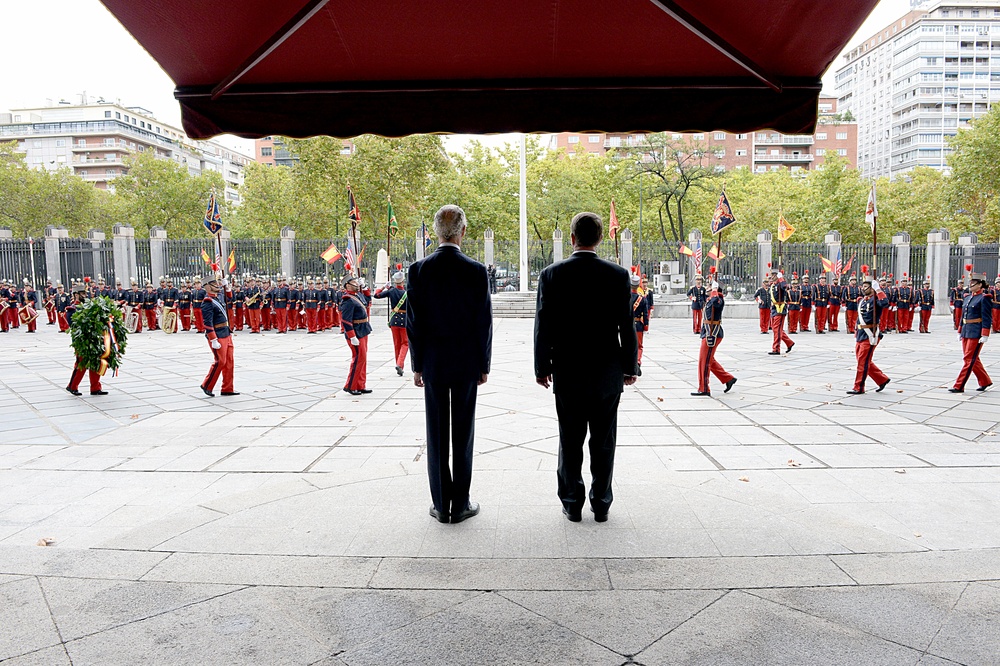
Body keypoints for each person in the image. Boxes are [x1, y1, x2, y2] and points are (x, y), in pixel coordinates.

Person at [534, 211, 636, 524]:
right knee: (604, 441)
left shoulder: (552, 274)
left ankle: (571, 502)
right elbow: (626, 326)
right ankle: (602, 502)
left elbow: (543, 326)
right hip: (607, 371)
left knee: (570, 438)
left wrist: (542, 367)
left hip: (568, 370)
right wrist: (630, 366)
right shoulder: (617, 275)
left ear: (573, 237)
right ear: (600, 238)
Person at [408, 204, 493, 525]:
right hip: (466, 363)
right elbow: (483, 322)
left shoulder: (418, 270)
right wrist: (483, 363)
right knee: (464, 433)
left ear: (434, 232)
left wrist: (417, 365)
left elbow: (413, 324)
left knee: (436, 433)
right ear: (463, 231)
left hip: (433, 363)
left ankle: (441, 504)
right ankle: (462, 504)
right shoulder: (474, 270)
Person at [691, 271, 736, 396]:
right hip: (708, 332)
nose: (708, 288)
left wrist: (716, 289)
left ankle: (704, 388)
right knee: (707, 359)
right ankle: (728, 378)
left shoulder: (718, 299)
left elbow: (717, 301)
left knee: (704, 361)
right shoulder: (711, 298)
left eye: (710, 286)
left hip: (713, 334)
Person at [847, 273, 891, 395]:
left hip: (870, 334)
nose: (863, 288)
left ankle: (858, 387)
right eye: (863, 286)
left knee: (863, 362)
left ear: (872, 288)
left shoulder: (876, 300)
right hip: (860, 334)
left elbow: (885, 303)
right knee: (863, 360)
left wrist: (878, 289)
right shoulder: (861, 300)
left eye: (866, 286)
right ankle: (882, 379)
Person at [950, 272, 992, 393]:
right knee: (972, 358)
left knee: (969, 358)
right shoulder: (968, 297)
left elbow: (987, 317)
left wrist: (985, 334)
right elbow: (964, 315)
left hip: (976, 331)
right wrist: (959, 330)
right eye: (970, 283)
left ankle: (959, 385)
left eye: (973, 283)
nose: (971, 285)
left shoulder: (984, 298)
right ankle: (985, 381)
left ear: (980, 285)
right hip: (966, 330)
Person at [200, 274, 239, 397]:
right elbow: (207, 323)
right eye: (214, 284)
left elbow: (229, 299)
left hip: (226, 332)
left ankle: (227, 388)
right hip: (217, 335)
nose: (218, 285)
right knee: (220, 362)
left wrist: (227, 287)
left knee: (229, 362)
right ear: (207, 287)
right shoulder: (207, 302)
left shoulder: (218, 297)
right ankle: (207, 385)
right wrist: (213, 339)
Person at [339, 275, 373, 395]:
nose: (357, 284)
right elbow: (346, 320)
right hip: (356, 332)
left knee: (363, 359)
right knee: (358, 359)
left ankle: (360, 385)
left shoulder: (356, 296)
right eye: (354, 282)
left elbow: (368, 300)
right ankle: (351, 385)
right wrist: (352, 336)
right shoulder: (348, 300)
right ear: (347, 285)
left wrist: (365, 288)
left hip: (363, 329)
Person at [374, 271, 409, 376]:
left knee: (397, 343)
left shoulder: (391, 291)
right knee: (405, 343)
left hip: (394, 320)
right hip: (404, 320)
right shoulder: (407, 293)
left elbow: (376, 295)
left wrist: (384, 287)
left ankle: (399, 365)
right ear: (403, 281)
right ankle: (400, 363)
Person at [768, 269, 795, 356]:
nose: (772, 276)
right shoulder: (773, 285)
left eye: (774, 275)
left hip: (780, 308)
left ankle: (776, 349)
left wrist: (781, 278)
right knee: (776, 328)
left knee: (777, 329)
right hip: (774, 308)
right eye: (771, 275)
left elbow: (785, 287)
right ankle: (789, 343)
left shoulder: (780, 284)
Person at [629, 273, 649, 375]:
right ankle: (637, 361)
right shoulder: (642, 299)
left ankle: (629, 364)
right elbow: (645, 314)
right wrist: (646, 325)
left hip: (627, 325)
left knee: (628, 344)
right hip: (638, 325)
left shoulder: (625, 297)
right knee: (639, 346)